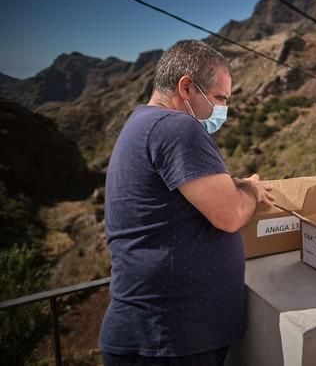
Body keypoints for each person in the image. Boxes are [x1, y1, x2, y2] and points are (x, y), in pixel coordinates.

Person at [99, 39, 274, 365]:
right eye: (220, 98)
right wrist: (250, 189)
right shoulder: (178, 127)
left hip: (157, 335)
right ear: (187, 87)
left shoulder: (142, 122)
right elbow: (232, 215)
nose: (224, 109)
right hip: (169, 339)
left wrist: (231, 186)